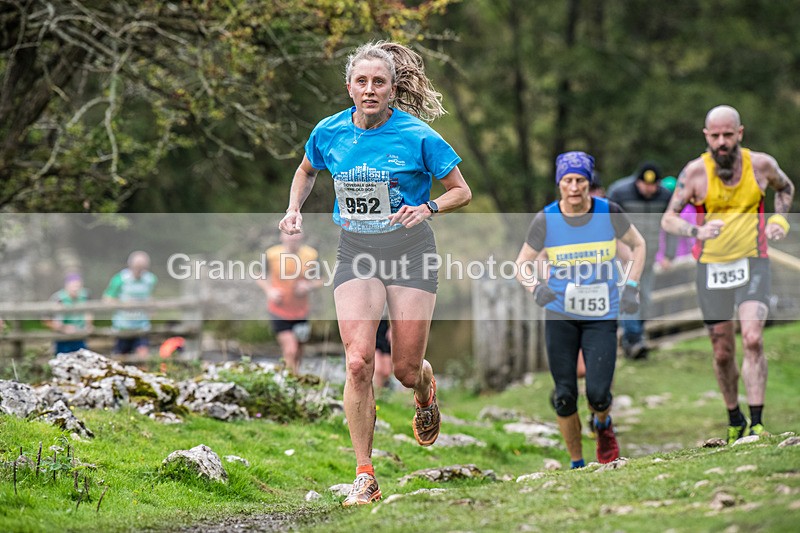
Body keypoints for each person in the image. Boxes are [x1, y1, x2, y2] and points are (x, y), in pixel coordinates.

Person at [278, 41, 471, 506]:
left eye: (379, 82)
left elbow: (461, 191)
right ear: (349, 87)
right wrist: (293, 209)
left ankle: (424, 389)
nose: (369, 89)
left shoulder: (418, 136)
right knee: (358, 361)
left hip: (410, 253)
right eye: (361, 81)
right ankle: (365, 474)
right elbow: (306, 170)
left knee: (404, 369)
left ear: (392, 89)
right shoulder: (328, 131)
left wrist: (428, 208)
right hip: (357, 251)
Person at [661, 105, 795, 443]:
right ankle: (734, 416)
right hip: (712, 267)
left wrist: (780, 220)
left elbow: (785, 188)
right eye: (715, 135)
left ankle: (758, 422)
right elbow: (668, 219)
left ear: (740, 133)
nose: (722, 142)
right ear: (706, 136)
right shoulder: (694, 173)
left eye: (728, 135)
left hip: (753, 261)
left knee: (752, 338)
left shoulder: (761, 165)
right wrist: (697, 232)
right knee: (722, 350)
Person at [515, 151, 645, 468]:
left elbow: (638, 245)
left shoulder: (609, 212)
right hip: (561, 314)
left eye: (580, 180)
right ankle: (577, 463)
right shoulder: (546, 219)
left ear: (589, 183)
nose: (574, 187)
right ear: (559, 183)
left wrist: (631, 285)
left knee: (599, 394)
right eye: (568, 180)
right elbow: (522, 264)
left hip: (601, 314)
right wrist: (536, 288)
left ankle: (603, 424)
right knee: (564, 395)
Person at [607, 161, 677, 359]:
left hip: (648, 257)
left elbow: (670, 224)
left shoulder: (665, 197)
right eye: (645, 185)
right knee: (629, 296)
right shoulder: (619, 193)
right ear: (637, 181)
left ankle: (634, 340)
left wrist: (669, 254)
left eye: (653, 185)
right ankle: (635, 339)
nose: (649, 189)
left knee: (645, 298)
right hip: (624, 258)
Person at [256, 232, 320, 374]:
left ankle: (294, 375)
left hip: (301, 311)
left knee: (299, 349)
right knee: (291, 349)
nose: (293, 237)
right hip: (278, 309)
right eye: (289, 234)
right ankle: (291, 380)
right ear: (282, 236)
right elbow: (260, 276)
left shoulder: (311, 255)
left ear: (302, 236)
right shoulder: (271, 254)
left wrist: (308, 286)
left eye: (296, 233)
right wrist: (269, 291)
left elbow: (321, 279)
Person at [103, 251, 157, 358]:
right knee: (120, 359)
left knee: (142, 358)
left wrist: (151, 308)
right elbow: (107, 299)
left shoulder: (151, 279)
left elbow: (150, 297)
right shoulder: (120, 279)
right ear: (130, 265)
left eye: (142, 267)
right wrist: (124, 304)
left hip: (142, 326)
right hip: (123, 326)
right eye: (137, 267)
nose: (139, 270)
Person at [44, 273, 93, 355]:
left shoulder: (85, 295)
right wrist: (63, 328)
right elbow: (46, 319)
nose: (75, 289)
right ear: (66, 286)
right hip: (62, 337)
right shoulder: (58, 298)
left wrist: (89, 324)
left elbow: (88, 312)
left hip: (80, 336)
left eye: (78, 286)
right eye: (73, 286)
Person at [655, 176, 696, 265]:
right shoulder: (662, 209)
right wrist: (661, 258)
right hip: (665, 261)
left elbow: (692, 236)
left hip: (684, 259)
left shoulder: (687, 210)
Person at [372, 318, 393, 390]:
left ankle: (382, 391)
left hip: (385, 332)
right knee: (378, 369)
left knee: (386, 371)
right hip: (373, 331)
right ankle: (378, 392)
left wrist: (392, 328)